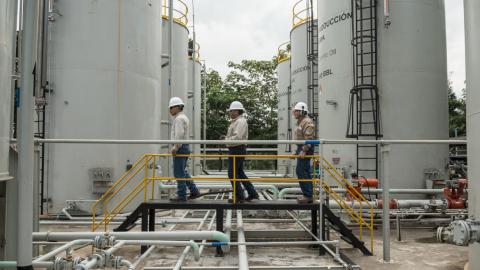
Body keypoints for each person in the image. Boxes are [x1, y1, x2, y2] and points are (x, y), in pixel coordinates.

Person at [220, 101, 259, 203]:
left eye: (231, 110)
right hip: (236, 148)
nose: (229, 112)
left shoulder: (240, 122)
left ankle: (239, 196)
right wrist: (227, 138)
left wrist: (226, 140)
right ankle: (252, 193)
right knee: (240, 173)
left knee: (232, 173)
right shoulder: (236, 122)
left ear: (236, 111)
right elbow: (235, 136)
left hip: (237, 149)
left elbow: (238, 137)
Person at [169, 97, 201, 202]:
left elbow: (179, 135)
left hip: (180, 147)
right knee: (183, 171)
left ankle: (181, 196)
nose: (170, 110)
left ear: (177, 107)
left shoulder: (178, 119)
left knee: (179, 173)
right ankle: (194, 190)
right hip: (186, 146)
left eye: (171, 108)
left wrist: (175, 148)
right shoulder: (184, 117)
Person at [291, 102, 315, 203]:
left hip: (306, 148)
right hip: (302, 148)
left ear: (301, 111)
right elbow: (301, 139)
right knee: (305, 171)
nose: (294, 113)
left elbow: (308, 137)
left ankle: (307, 195)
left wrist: (304, 150)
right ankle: (308, 194)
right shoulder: (300, 122)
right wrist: (297, 151)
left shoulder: (307, 122)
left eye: (295, 111)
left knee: (300, 171)